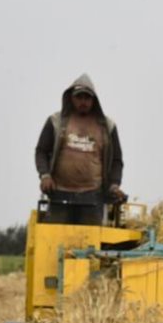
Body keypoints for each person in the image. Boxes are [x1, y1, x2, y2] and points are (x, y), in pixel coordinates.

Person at [34, 74, 125, 225]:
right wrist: (45, 175)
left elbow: (116, 160)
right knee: (54, 243)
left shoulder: (107, 127)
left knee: (89, 246)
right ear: (71, 98)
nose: (83, 102)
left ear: (94, 100)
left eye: (87, 98)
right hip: (59, 195)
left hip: (93, 198)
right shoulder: (56, 122)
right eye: (79, 97)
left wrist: (114, 185)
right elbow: (41, 151)